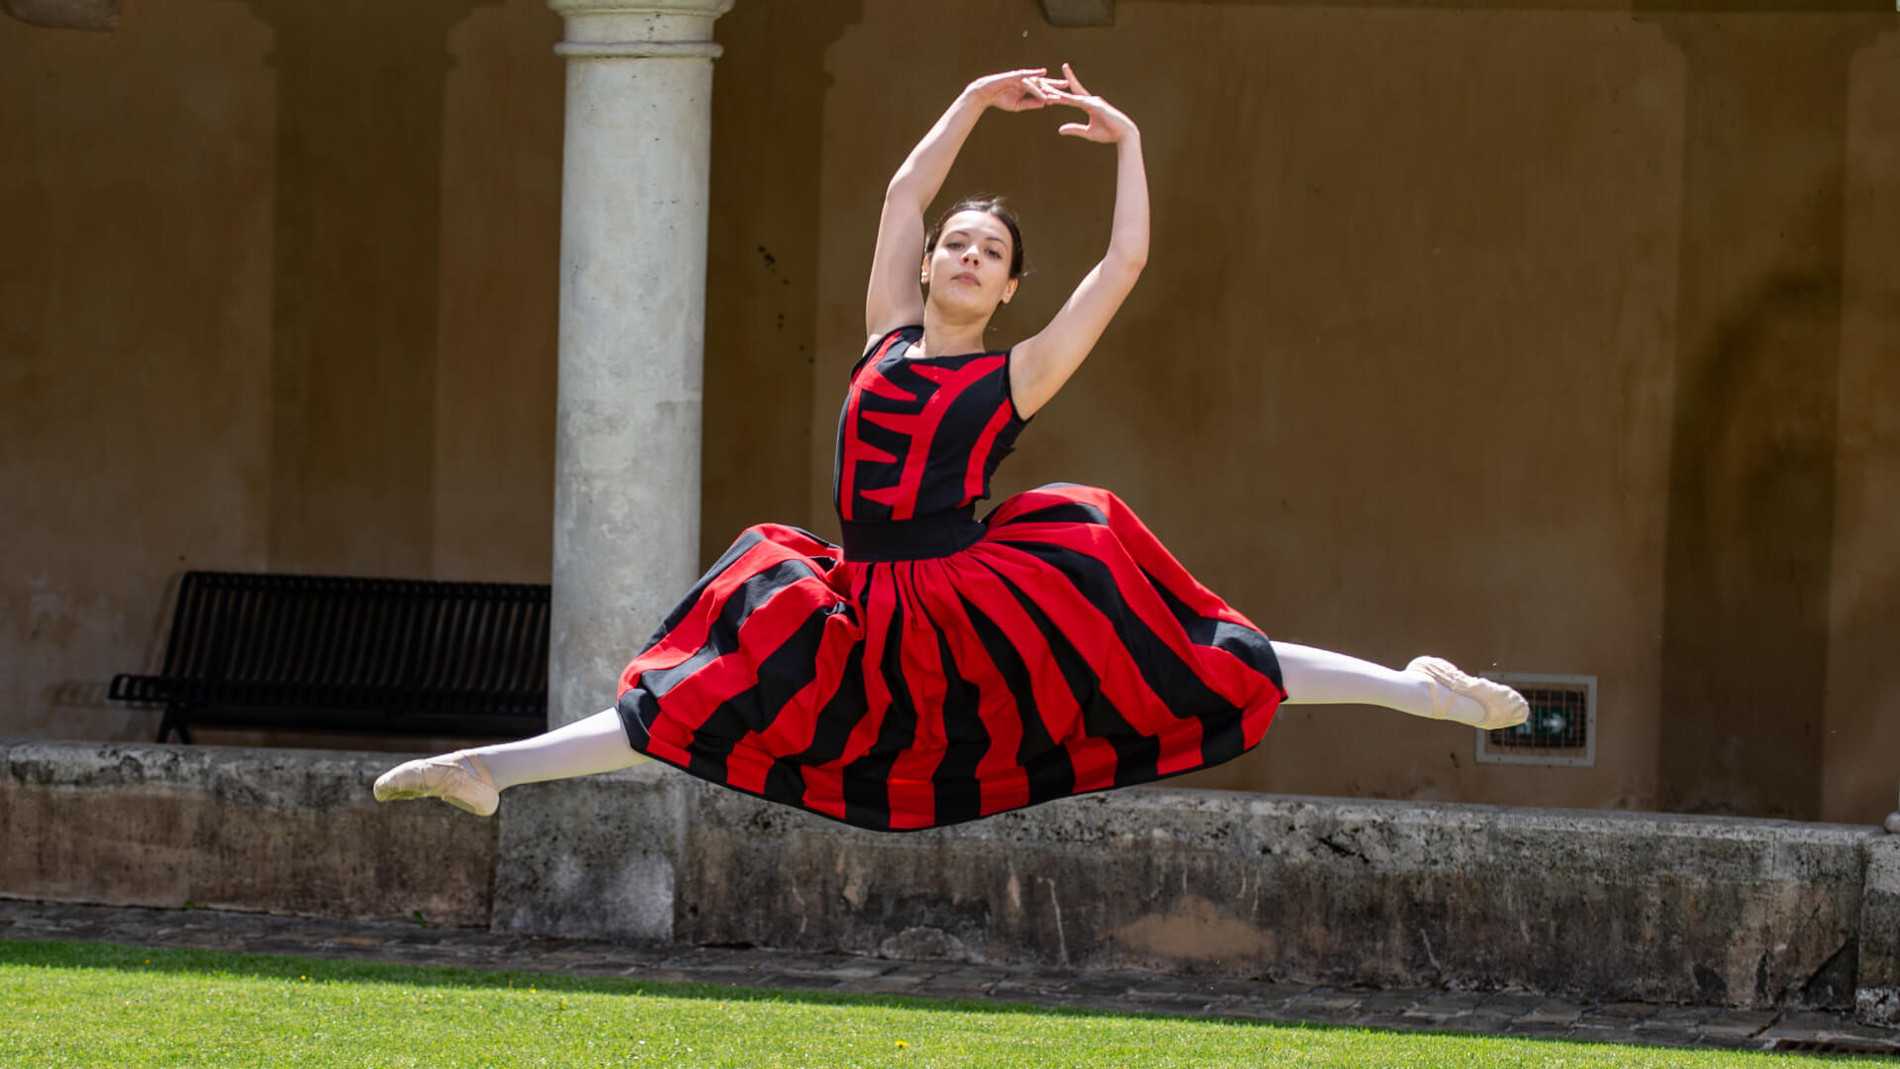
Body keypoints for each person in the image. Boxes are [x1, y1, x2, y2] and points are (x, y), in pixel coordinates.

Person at [375, 66, 1527, 829]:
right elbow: (901, 188)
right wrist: (977, 93)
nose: (968, 256)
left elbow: (1119, 269)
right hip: (852, 593)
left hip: (959, 597)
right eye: (958, 244)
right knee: (698, 698)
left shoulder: (1011, 374)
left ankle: (1417, 690)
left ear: (1011, 286)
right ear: (928, 266)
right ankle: (491, 769)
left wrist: (1126, 142)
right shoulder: (884, 335)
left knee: (1190, 651)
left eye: (990, 253)